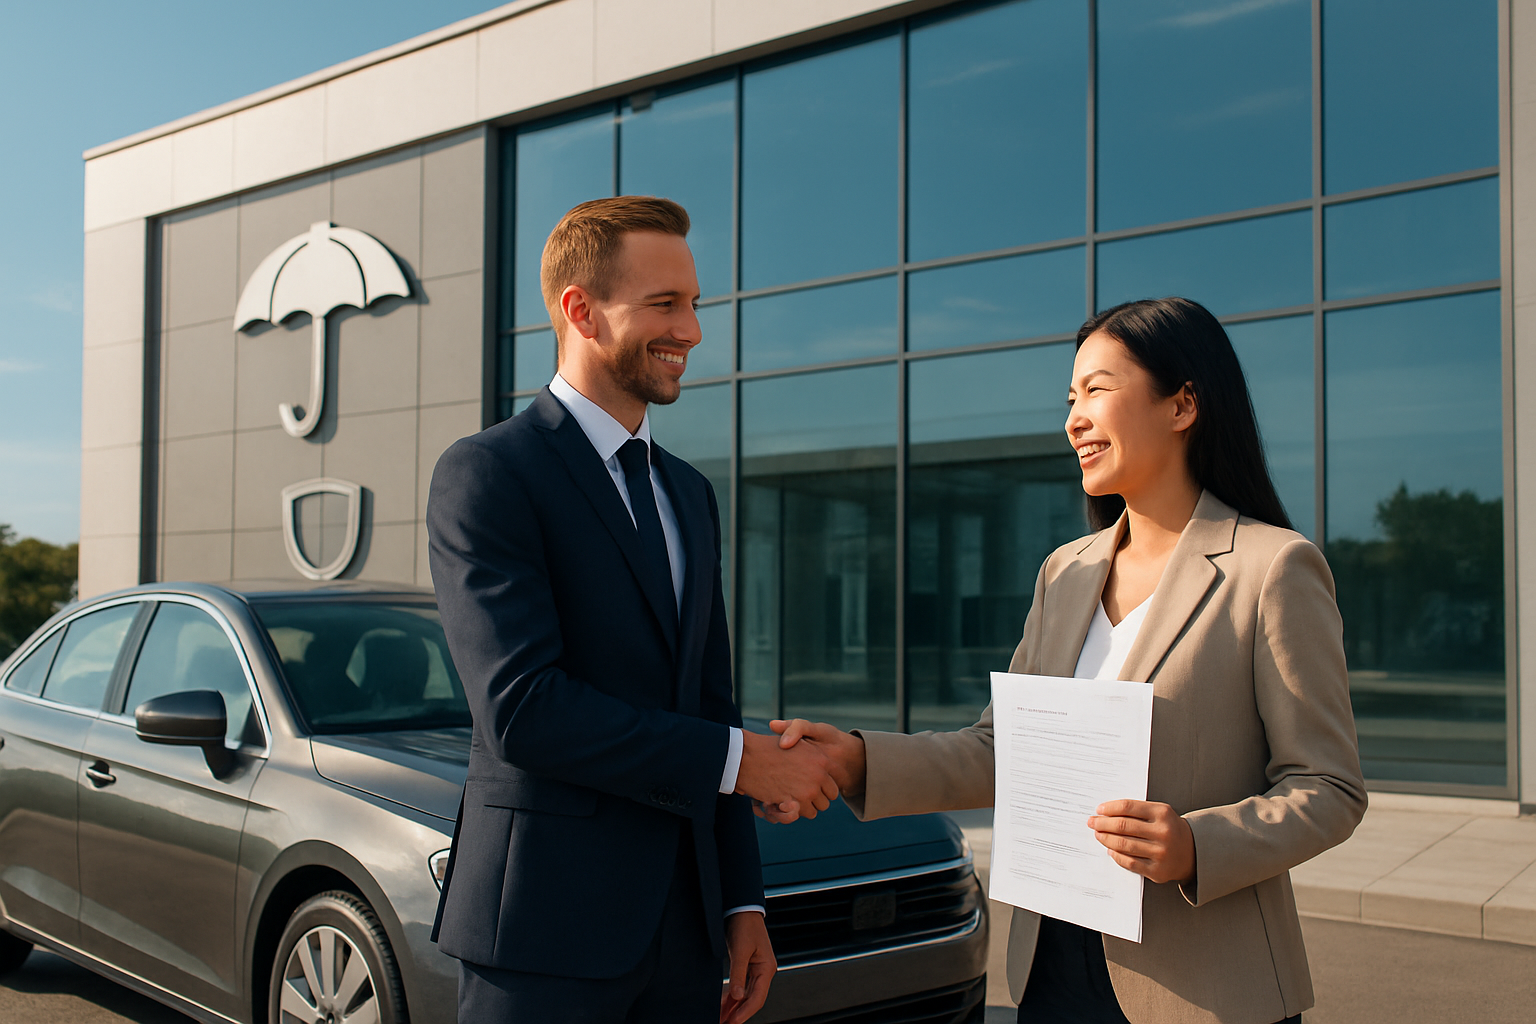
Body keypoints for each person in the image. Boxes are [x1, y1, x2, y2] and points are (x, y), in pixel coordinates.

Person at [769, 297, 1367, 1024]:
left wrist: (1195, 845)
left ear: (1183, 405)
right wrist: (859, 762)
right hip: (1054, 969)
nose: (1073, 419)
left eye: (1098, 391)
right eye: (1071, 398)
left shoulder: (1273, 568)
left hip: (1207, 990)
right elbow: (1003, 752)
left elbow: (1328, 786)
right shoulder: (1067, 571)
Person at [426, 196, 840, 1024]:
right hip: (543, 933)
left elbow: (709, 705)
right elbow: (523, 709)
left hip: (685, 935)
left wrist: (740, 904)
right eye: (665, 305)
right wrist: (741, 762)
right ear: (581, 309)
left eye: (694, 305)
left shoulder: (690, 494)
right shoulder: (488, 473)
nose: (691, 331)